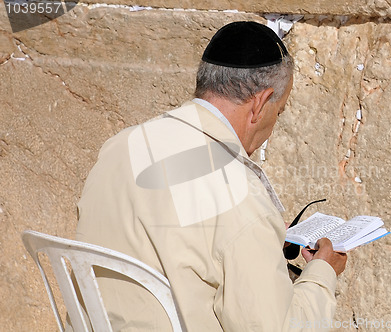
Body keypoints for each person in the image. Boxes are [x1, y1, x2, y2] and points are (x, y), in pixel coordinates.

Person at [74, 21, 347, 331]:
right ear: (259, 103)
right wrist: (322, 272)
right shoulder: (240, 193)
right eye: (279, 110)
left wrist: (260, 234)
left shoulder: (121, 145)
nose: (274, 122)